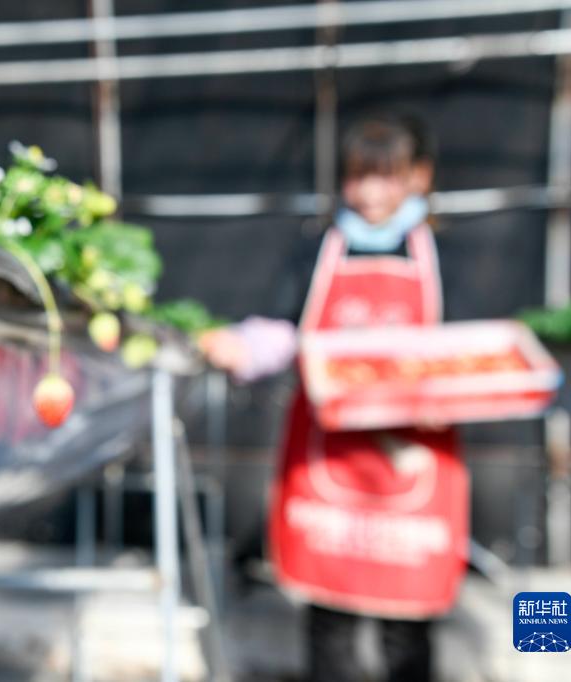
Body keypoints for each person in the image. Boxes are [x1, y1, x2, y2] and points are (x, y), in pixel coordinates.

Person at [200, 115, 466, 682]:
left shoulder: (444, 253)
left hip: (412, 461)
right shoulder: (317, 249)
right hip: (328, 456)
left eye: (386, 178)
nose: (370, 193)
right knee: (331, 612)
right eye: (358, 178)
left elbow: (470, 348)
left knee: (408, 616)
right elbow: (283, 328)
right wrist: (241, 346)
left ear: (419, 177)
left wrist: (453, 394)